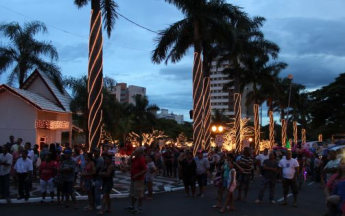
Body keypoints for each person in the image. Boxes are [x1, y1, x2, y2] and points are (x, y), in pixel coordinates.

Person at [125, 148, 147, 214]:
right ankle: (132, 206)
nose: (134, 153)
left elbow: (145, 170)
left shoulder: (141, 160)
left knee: (139, 193)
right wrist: (131, 156)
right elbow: (129, 162)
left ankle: (140, 208)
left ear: (140, 153)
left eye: (136, 152)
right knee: (133, 193)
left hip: (138, 179)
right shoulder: (135, 158)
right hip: (133, 178)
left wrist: (137, 175)